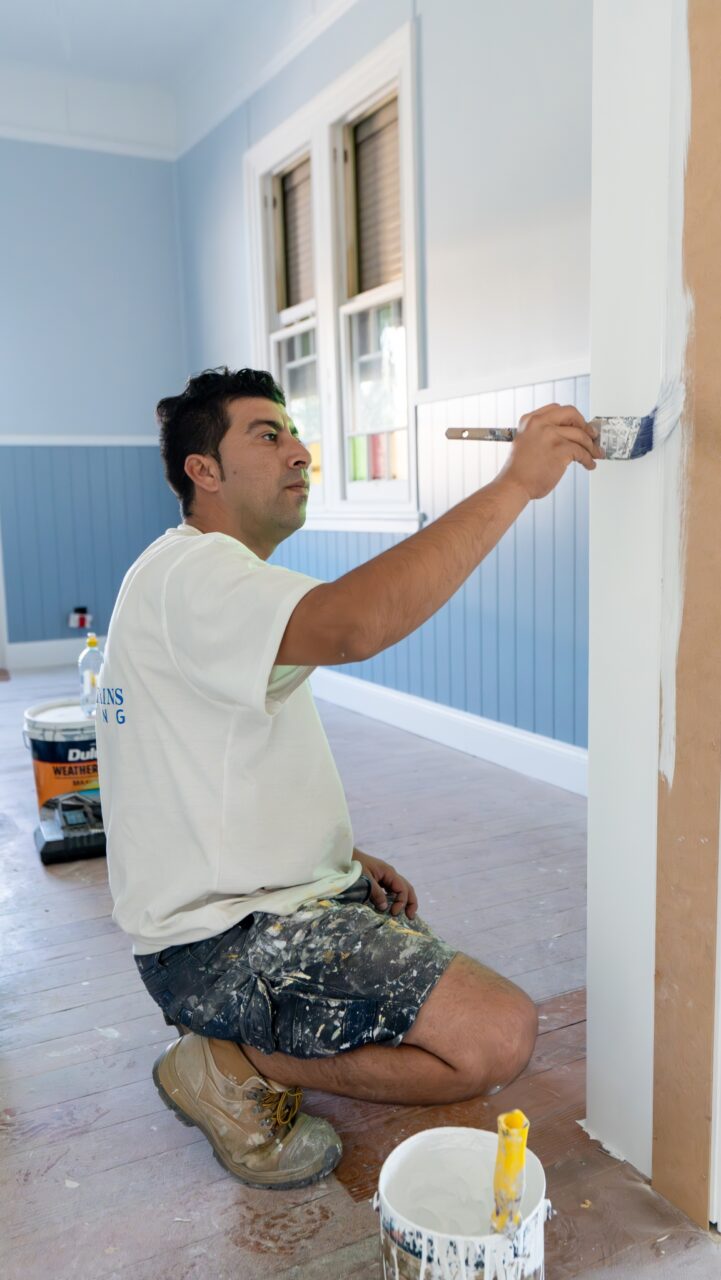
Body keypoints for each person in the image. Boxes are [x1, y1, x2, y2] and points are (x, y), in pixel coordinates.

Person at [95, 367, 601, 1191]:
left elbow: (190, 763)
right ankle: (227, 1061)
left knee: (440, 1001)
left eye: (295, 433)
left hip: (247, 908)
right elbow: (354, 625)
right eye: (268, 435)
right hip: (217, 942)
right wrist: (514, 485)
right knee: (493, 1037)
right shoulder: (194, 573)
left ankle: (252, 1035)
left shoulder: (190, 579)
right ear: (203, 470)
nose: (299, 452)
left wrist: (335, 856)